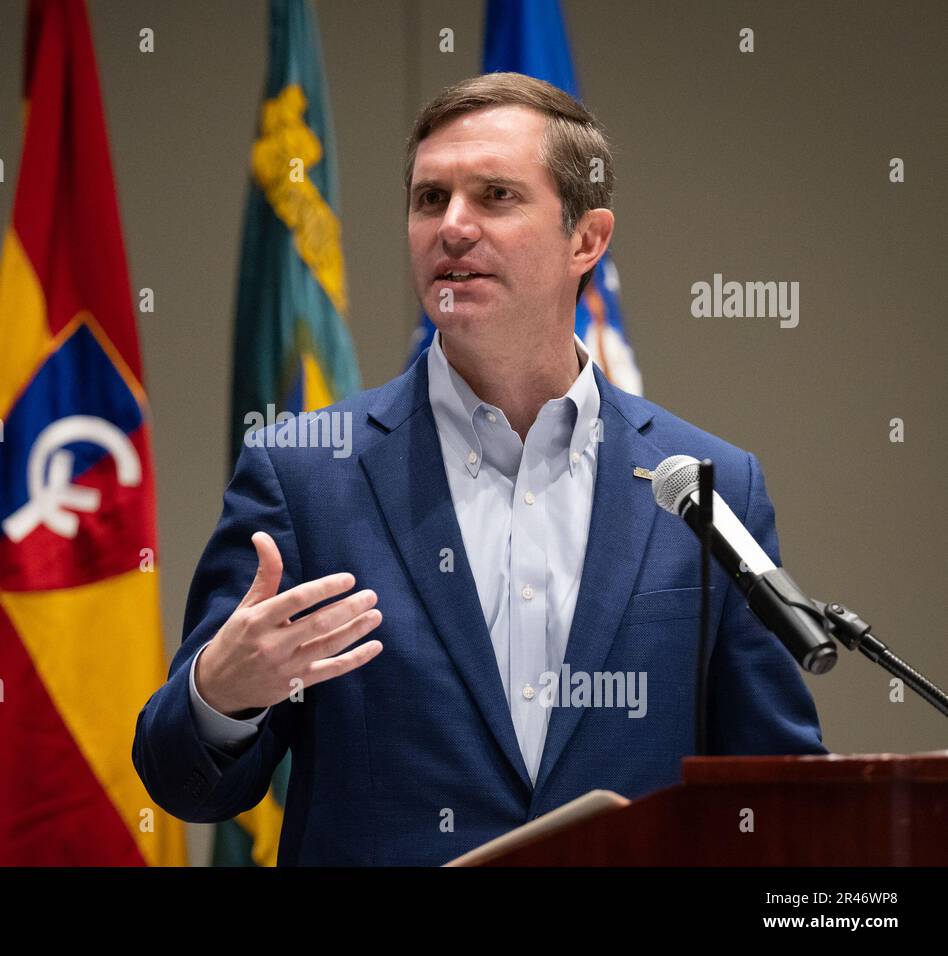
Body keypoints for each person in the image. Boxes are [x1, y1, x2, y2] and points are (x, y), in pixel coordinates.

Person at [133, 72, 825, 866]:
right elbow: (185, 784)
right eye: (430, 200)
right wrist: (218, 696)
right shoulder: (305, 477)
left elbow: (780, 790)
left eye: (494, 196)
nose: (452, 227)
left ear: (586, 239)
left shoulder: (710, 488)